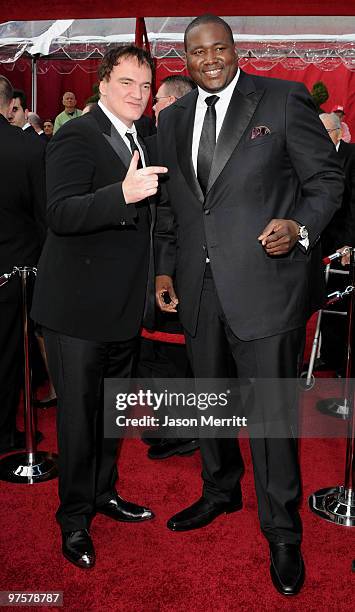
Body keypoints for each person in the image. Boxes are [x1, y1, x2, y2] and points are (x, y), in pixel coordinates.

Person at [155, 14, 343, 596]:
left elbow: (327, 182)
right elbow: (171, 204)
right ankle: (219, 488)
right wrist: (164, 269)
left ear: (235, 49)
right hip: (197, 288)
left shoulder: (283, 100)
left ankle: (283, 531)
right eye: (196, 52)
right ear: (184, 59)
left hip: (266, 286)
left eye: (218, 48)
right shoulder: (173, 116)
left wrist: (300, 227)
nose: (209, 59)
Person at [31, 46, 167, 569]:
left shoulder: (140, 136)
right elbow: (60, 213)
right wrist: (122, 194)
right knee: (78, 421)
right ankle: (73, 520)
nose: (137, 93)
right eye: (127, 82)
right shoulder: (76, 134)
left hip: (122, 308)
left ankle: (104, 493)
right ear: (103, 83)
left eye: (145, 85)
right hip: (76, 313)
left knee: (112, 415)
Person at [140, 75, 198, 460]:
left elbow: (166, 217)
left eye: (157, 99)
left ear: (175, 102)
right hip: (178, 265)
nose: (152, 107)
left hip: (172, 267)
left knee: (170, 355)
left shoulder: (161, 146)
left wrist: (163, 271)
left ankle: (180, 429)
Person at [0, 75, 46, 454]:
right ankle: (4, 432)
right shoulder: (27, 148)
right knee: (7, 353)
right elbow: (45, 213)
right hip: (15, 268)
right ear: (8, 106)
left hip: (13, 268)